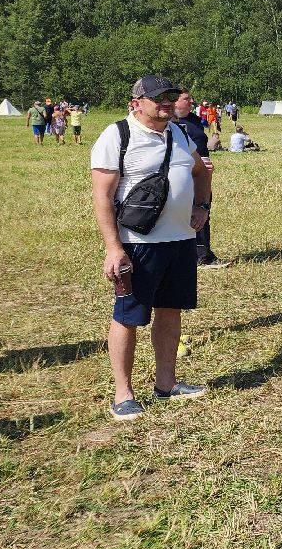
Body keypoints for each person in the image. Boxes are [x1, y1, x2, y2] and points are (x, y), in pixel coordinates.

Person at [90, 76, 212, 421]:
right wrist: (114, 249)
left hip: (180, 241)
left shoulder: (179, 133)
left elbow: (202, 172)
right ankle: (123, 394)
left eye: (171, 97)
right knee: (128, 317)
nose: (167, 103)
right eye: (159, 98)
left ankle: (166, 384)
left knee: (171, 311)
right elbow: (102, 197)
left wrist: (201, 207)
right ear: (137, 103)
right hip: (136, 244)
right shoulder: (117, 136)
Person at [173, 89, 229, 269]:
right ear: (175, 102)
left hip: (202, 175)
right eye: (186, 99)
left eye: (190, 98)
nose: (191, 101)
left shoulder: (195, 120)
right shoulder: (169, 123)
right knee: (185, 214)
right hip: (184, 175)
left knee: (202, 211)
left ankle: (203, 254)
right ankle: (197, 256)